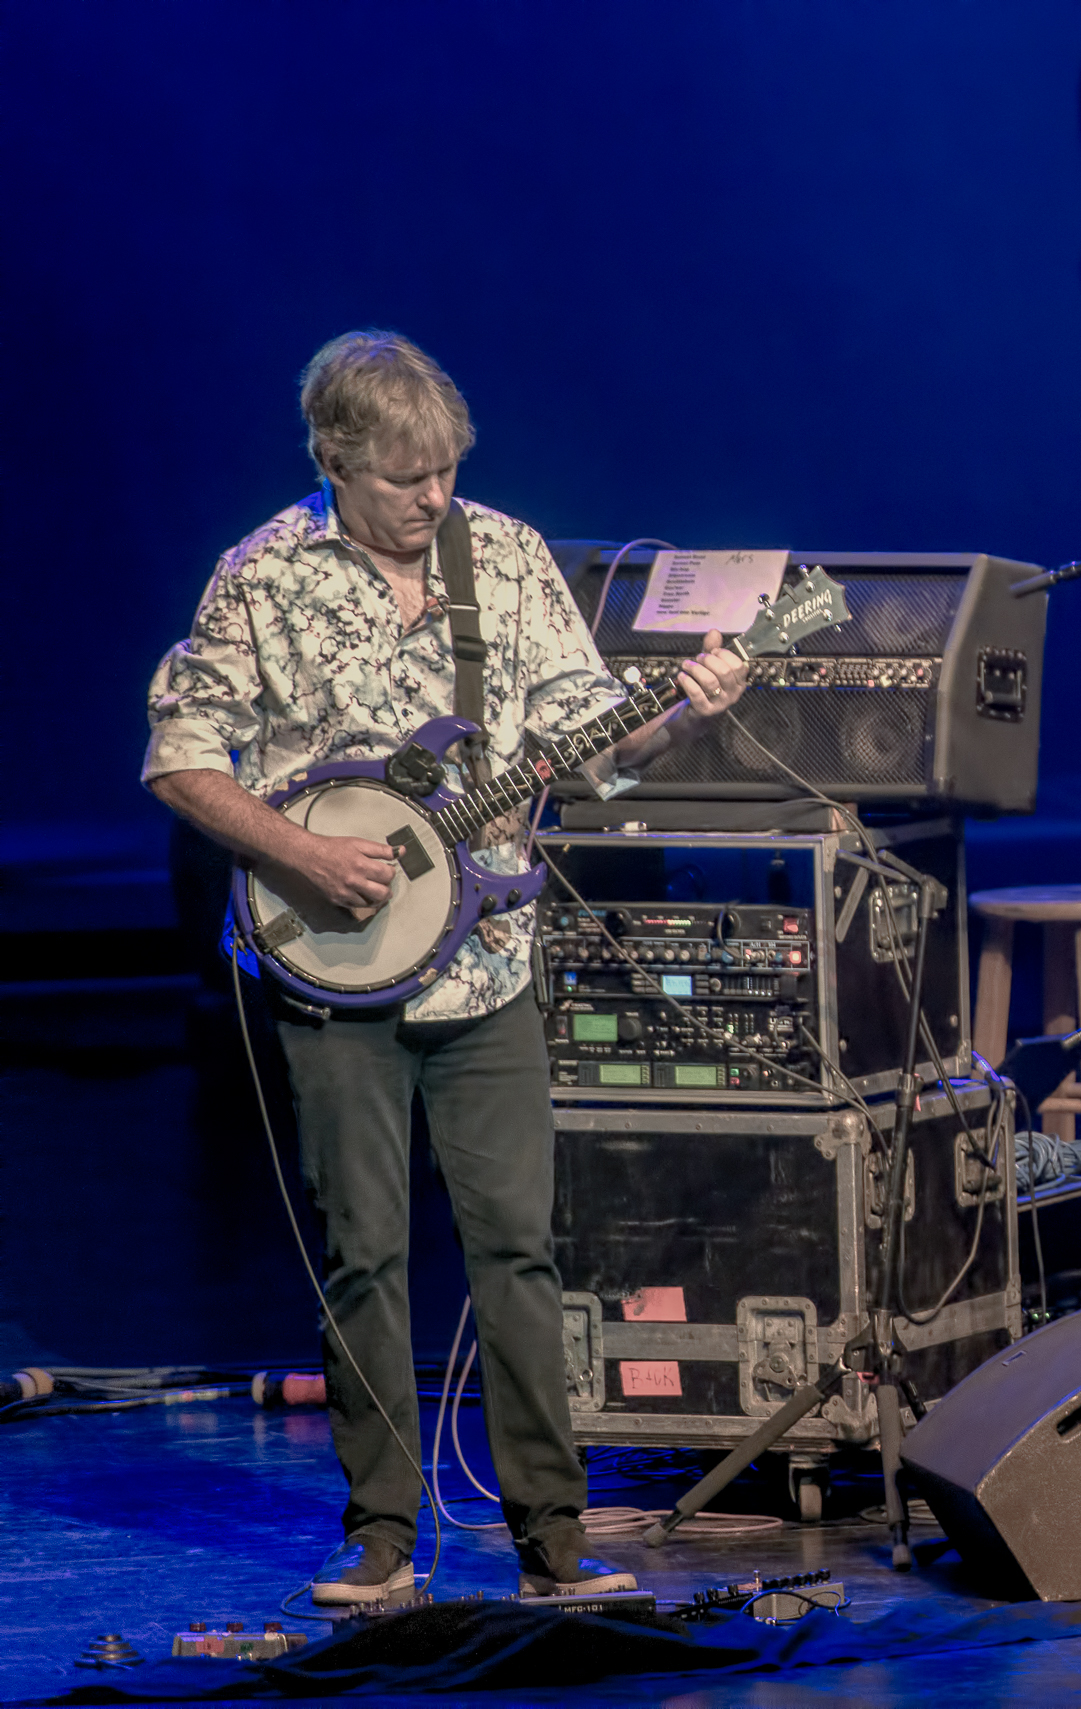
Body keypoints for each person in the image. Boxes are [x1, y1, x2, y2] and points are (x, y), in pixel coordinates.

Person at [145, 331, 750, 1602]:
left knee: (518, 1249)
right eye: (405, 479)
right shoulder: (260, 577)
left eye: (445, 472)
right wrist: (299, 850)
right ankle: (379, 1535)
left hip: (488, 967)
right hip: (333, 968)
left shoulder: (510, 556)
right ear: (335, 461)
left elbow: (586, 746)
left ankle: (553, 1535)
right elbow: (181, 760)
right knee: (363, 1250)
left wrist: (682, 711)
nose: (433, 498)